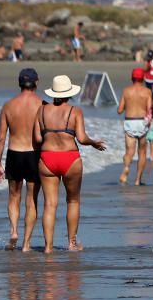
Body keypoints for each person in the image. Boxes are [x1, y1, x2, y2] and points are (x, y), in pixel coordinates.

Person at [34, 75, 106, 253]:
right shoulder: (75, 111)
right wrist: (93, 142)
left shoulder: (41, 111)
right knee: (73, 200)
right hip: (70, 158)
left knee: (50, 204)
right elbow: (81, 138)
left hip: (47, 158)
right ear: (69, 93)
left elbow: (36, 138)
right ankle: (72, 243)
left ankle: (48, 247)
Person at [0, 68, 44, 251]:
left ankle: (13, 231)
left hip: (14, 154)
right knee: (32, 199)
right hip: (34, 155)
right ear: (36, 83)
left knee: (14, 196)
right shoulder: (42, 104)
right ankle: (26, 243)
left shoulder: (8, 105)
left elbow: (1, 138)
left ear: (19, 83)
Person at [117, 68, 153, 185]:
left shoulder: (126, 91)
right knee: (142, 152)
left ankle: (126, 167)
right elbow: (149, 110)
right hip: (142, 122)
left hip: (130, 121)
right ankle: (138, 180)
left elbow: (120, 110)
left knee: (129, 151)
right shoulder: (147, 92)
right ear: (143, 78)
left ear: (132, 77)